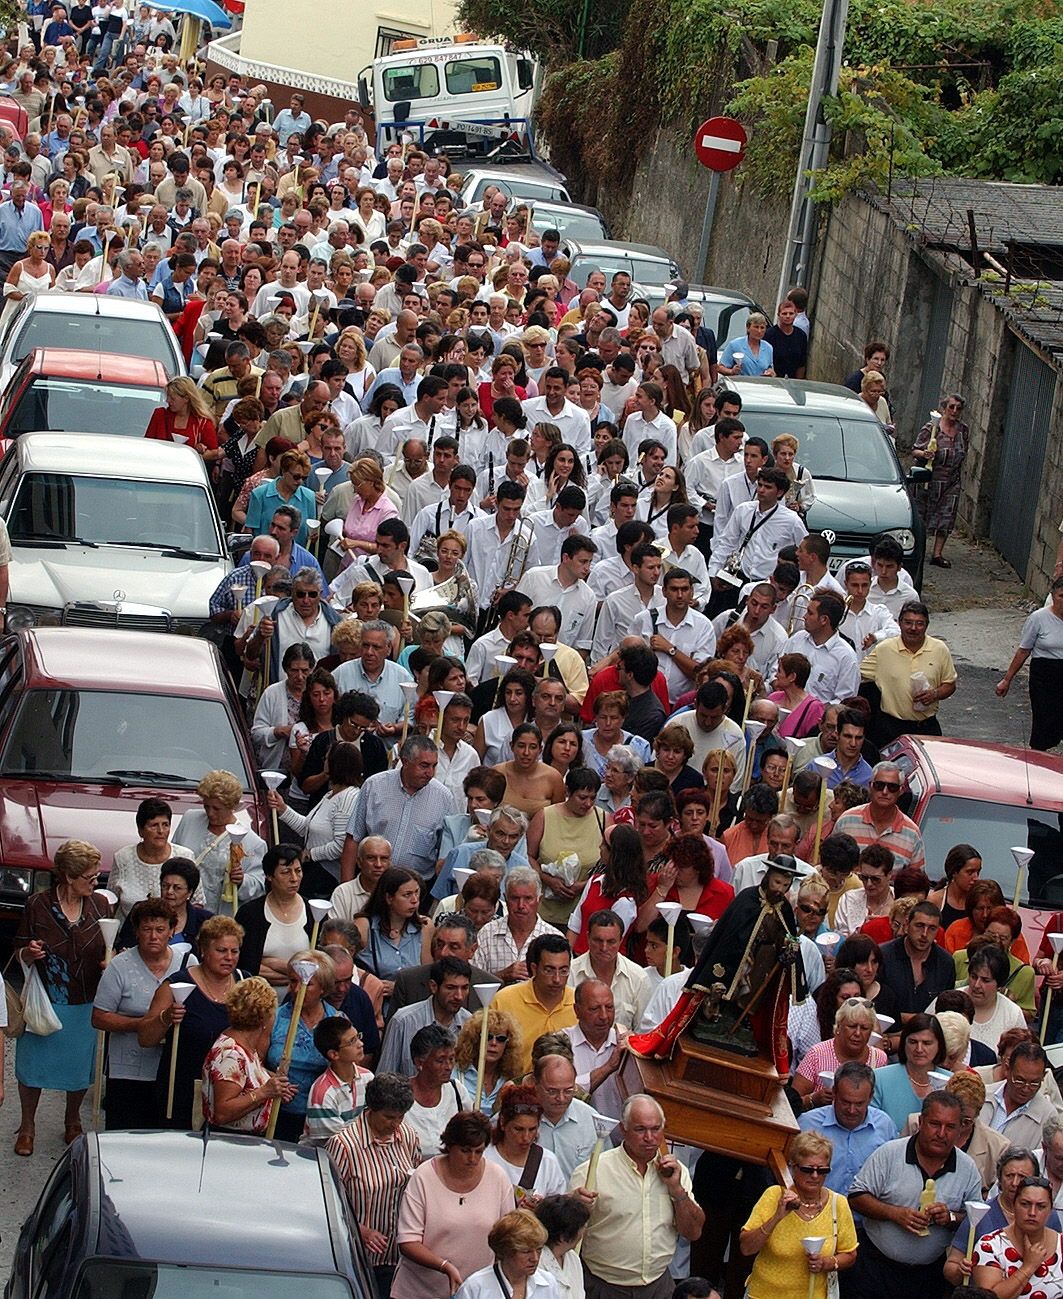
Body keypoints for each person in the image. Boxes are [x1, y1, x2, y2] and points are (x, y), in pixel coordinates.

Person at [629, 855, 808, 1074]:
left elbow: (787, 938)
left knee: (750, 999)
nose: (780, 888)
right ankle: (714, 1019)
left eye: (785, 884)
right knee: (720, 994)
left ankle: (741, 1025)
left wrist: (787, 951)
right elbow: (729, 934)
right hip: (731, 962)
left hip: (761, 965)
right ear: (768, 877)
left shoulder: (785, 910)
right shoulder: (747, 899)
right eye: (777, 882)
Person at [13, 840, 111, 1155]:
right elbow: (19, 949)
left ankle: (72, 1120)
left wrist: (111, 960)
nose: (95, 882)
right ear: (68, 876)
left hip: (85, 999)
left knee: (79, 1067)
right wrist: (28, 953)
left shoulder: (100, 905)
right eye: (89, 877)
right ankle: (27, 1126)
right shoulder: (36, 904)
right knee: (32, 1067)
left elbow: (113, 946)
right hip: (46, 998)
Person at [848, 1091, 981, 1297]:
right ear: (921, 1121)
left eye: (950, 1127)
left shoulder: (967, 1168)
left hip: (929, 1277)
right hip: (875, 1269)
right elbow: (856, 1197)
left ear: (960, 1129)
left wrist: (950, 1218)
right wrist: (895, 1214)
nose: (942, 1133)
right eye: (935, 1124)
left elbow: (976, 1220)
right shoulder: (890, 1153)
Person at [571, 1093, 704, 1299]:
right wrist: (573, 1206)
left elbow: (693, 1232)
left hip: (659, 1286)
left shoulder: (677, 1172)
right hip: (604, 1287)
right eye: (640, 1129)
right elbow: (568, 1235)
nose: (649, 1138)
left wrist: (677, 1190)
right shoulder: (592, 1171)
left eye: (655, 1129)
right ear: (623, 1130)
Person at [139, 915, 247, 1129]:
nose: (229, 957)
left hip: (230, 1094)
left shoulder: (245, 984)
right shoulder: (177, 985)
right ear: (204, 951)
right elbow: (145, 1038)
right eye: (221, 950)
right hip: (181, 1091)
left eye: (234, 951)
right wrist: (166, 1017)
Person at [394, 1110, 514, 1299]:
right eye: (465, 1151)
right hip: (421, 1291)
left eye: (479, 1152)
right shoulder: (424, 1177)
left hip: (477, 1292)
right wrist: (444, 1266)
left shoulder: (498, 1177)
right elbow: (408, 1241)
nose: (472, 1159)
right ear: (450, 1145)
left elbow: (508, 1236)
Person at [91, 899, 185, 1129]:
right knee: (124, 1131)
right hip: (128, 1069)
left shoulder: (186, 964)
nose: (153, 936)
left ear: (172, 931)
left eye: (160, 929)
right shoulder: (119, 966)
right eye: (147, 929)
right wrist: (145, 1024)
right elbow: (99, 1016)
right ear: (137, 932)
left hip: (171, 1068)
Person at [327, 1072, 421, 1299]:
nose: (396, 1124)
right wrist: (360, 1230)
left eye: (401, 1117)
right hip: (358, 1260)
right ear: (371, 1109)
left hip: (398, 1257)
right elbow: (327, 1205)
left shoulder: (407, 1135)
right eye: (389, 1117)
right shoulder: (344, 1145)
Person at [739, 1130, 857, 1298]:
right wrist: (777, 1217)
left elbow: (850, 1254)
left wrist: (827, 1263)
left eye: (822, 1170)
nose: (815, 1176)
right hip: (765, 1294)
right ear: (793, 1167)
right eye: (807, 1170)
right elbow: (746, 1248)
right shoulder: (774, 1195)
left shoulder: (838, 1203)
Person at [201, 976, 296, 1134]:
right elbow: (222, 1112)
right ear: (264, 1019)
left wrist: (275, 1084)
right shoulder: (231, 1054)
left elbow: (248, 1077)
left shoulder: (246, 1046)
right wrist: (264, 1092)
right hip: (229, 1142)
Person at [943, 1147, 1047, 1288]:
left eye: (1022, 1177)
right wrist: (960, 1270)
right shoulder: (980, 1214)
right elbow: (950, 1266)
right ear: (999, 1177)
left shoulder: (1046, 1215)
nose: (1015, 1183)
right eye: (1009, 1175)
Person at [265, 949, 339, 1141]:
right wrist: (272, 1078)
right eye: (293, 981)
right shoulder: (274, 1018)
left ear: (323, 987)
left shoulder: (336, 1023)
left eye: (306, 983)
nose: (297, 989)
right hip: (276, 1114)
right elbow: (254, 1061)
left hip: (318, 1117)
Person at [171, 770, 267, 915]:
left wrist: (242, 881)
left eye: (216, 808)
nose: (210, 813)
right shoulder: (189, 819)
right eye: (206, 806)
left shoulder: (253, 842)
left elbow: (259, 886)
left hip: (221, 917)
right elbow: (172, 858)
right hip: (183, 912)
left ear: (232, 806)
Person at [860, 601, 957, 743]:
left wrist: (934, 694)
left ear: (927, 625)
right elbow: (856, 674)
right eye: (908, 622)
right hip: (890, 729)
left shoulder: (939, 649)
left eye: (919, 623)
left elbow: (950, 684)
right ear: (899, 623)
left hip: (926, 727)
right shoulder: (884, 649)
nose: (913, 628)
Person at [799, 1060, 898, 1198]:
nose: (852, 1110)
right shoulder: (807, 1124)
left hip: (866, 1217)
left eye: (859, 1104)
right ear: (834, 1093)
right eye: (845, 1102)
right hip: (818, 1215)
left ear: (870, 1097)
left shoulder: (885, 1125)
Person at [527, 768, 608, 930]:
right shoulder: (544, 816)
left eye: (593, 798)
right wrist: (547, 879)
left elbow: (612, 865)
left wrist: (585, 885)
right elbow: (528, 856)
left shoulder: (604, 820)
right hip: (544, 910)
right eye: (582, 798)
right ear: (568, 792)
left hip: (584, 913)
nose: (588, 804)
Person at [995, 576, 1063, 751]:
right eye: (1062, 596)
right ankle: (1039, 756)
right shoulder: (1039, 618)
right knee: (1044, 720)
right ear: (1053, 596)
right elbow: (1024, 650)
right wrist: (1007, 679)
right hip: (1045, 676)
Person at [494, 935, 578, 1076]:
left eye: (563, 971)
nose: (557, 979)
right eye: (549, 970)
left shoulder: (579, 1003)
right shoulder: (504, 1001)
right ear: (534, 968)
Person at [377, 956, 473, 1077]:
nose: (459, 996)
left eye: (464, 988)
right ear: (433, 986)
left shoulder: (470, 1024)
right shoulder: (404, 1021)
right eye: (451, 988)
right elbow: (385, 1076)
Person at [792, 996, 888, 1111]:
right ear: (839, 1026)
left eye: (864, 1028)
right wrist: (813, 1099)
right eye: (852, 1026)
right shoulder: (817, 1054)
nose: (857, 1033)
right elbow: (792, 1102)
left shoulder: (879, 1058)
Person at [108, 796, 195, 922]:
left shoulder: (185, 856)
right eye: (154, 825)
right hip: (128, 936)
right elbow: (111, 903)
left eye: (165, 825)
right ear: (140, 830)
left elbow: (197, 902)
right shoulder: (123, 858)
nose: (161, 831)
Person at [971, 1175, 1063, 1294]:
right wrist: (1028, 1267)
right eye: (1025, 1204)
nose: (1032, 1213)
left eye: (1041, 1206)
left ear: (1051, 1210)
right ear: (1014, 1206)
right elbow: (989, 1297)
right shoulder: (989, 1246)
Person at [355, 867, 434, 1003]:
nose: (415, 900)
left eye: (417, 893)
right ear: (389, 898)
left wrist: (399, 988)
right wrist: (373, 984)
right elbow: (347, 968)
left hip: (412, 1005)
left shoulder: (425, 926)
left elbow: (428, 976)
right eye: (407, 895)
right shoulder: (364, 926)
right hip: (376, 1005)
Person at [234, 845, 312, 982]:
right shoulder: (250, 914)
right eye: (286, 872)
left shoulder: (314, 912)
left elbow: (320, 967)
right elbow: (248, 968)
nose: (294, 878)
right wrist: (297, 972)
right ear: (270, 876)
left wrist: (274, 964)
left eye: (298, 871)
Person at [569, 909, 651, 1035]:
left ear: (621, 940)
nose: (604, 948)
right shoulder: (570, 973)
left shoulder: (638, 978)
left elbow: (643, 1032)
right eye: (598, 940)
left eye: (611, 942)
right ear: (587, 938)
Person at [832, 762, 926, 873]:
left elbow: (914, 882)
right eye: (879, 785)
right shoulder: (846, 821)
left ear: (900, 791)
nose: (885, 792)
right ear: (870, 786)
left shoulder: (912, 834)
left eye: (892, 787)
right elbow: (830, 864)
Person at [930, 944, 1025, 1050]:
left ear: (1000, 984)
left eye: (985, 980)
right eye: (974, 977)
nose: (977, 985)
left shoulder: (1012, 1014)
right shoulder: (947, 1001)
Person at [486, 1082, 568, 1204]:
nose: (526, 1138)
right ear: (502, 1122)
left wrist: (541, 1209)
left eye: (532, 1129)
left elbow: (557, 1214)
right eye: (518, 1129)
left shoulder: (548, 1162)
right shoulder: (484, 1157)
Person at [913, 396, 968, 569]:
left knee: (947, 515)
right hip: (930, 479)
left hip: (951, 480)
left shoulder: (963, 430)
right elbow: (915, 450)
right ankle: (919, 549)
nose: (954, 411)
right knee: (924, 514)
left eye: (958, 408)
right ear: (944, 408)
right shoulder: (932, 428)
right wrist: (924, 455)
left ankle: (937, 554)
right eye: (951, 407)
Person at [477, 868, 558, 984]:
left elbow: (562, 984)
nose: (521, 905)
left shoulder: (554, 938)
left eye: (528, 898)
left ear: (539, 900)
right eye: (515, 898)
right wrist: (502, 975)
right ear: (505, 899)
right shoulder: (487, 933)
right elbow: (472, 983)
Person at [871, 1012, 948, 1130]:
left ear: (939, 1045)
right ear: (904, 1043)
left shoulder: (952, 1081)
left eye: (927, 1043)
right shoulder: (879, 1078)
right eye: (913, 1042)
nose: (919, 1049)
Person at [878, 900, 955, 1017]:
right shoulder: (883, 956)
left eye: (932, 928)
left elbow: (946, 1010)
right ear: (907, 925)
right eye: (919, 926)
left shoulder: (945, 963)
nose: (924, 934)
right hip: (888, 1030)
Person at [304, 1015, 374, 1143]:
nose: (361, 1044)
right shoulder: (323, 1093)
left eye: (358, 1037)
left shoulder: (368, 1078)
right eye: (352, 1041)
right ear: (334, 1054)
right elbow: (337, 1143)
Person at [980, 1042, 1054, 1150]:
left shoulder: (1047, 1116)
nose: (1026, 1088)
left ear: (1043, 1077)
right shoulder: (983, 1096)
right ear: (1007, 1070)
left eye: (1034, 1083)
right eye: (1019, 1080)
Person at [453, 1008, 524, 1114]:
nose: (494, 1043)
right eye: (488, 1037)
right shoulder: (455, 1074)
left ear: (508, 1044)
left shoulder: (511, 1078)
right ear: (475, 1039)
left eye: (501, 1039)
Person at [534, 1194, 593, 1299]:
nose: (584, 1231)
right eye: (582, 1227)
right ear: (564, 1236)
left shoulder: (573, 1258)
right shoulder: (535, 1262)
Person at [928, 844, 984, 932]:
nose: (976, 877)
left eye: (978, 872)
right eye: (970, 872)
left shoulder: (978, 903)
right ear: (954, 872)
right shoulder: (935, 901)